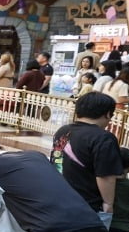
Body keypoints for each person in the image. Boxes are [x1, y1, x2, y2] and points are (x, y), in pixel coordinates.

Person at [51, 92, 124, 222]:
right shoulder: (103, 138)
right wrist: (108, 204)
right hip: (86, 206)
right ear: (107, 114)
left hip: (58, 198)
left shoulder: (63, 130)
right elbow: (105, 176)